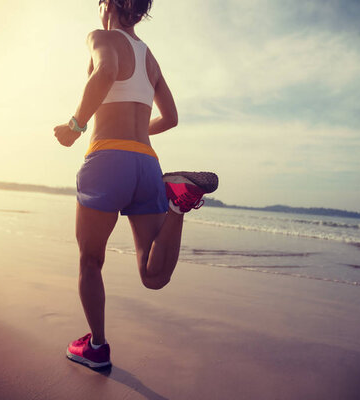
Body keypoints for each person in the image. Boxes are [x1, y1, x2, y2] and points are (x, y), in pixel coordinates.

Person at [54, 0, 218, 369]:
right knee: (153, 275)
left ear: (107, 5)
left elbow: (105, 72)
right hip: (146, 163)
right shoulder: (150, 58)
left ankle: (96, 347)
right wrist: (135, 132)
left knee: (91, 260)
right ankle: (178, 205)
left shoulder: (101, 36)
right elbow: (171, 118)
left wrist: (75, 126)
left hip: (108, 160)